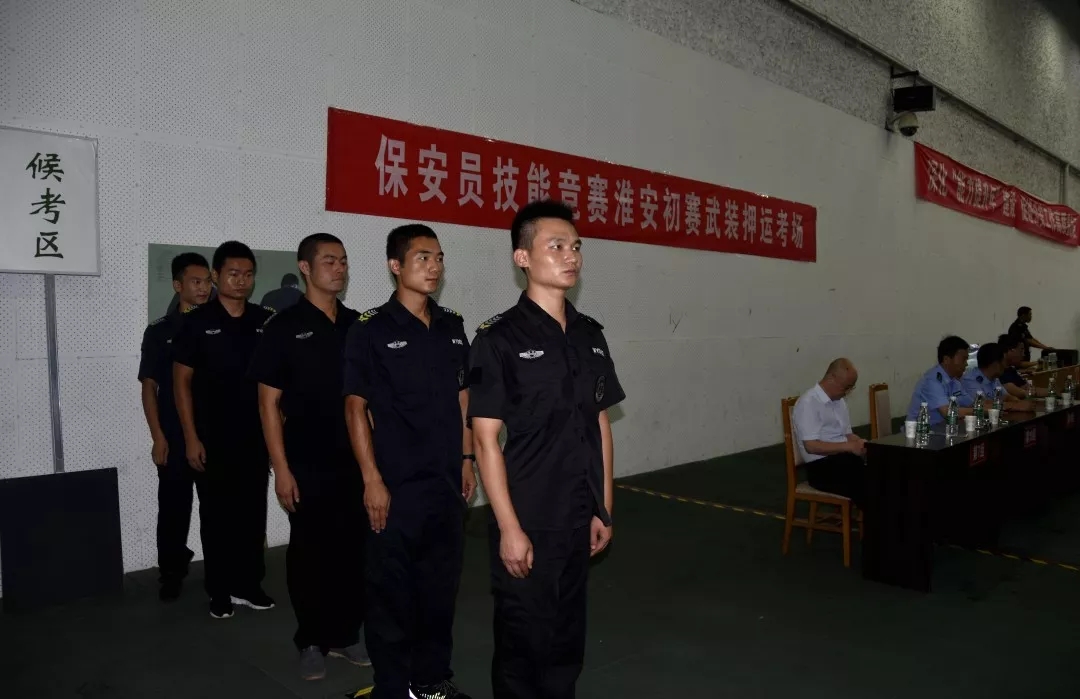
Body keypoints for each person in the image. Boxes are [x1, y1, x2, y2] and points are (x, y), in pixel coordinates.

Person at [468, 200, 626, 699]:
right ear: (523, 258)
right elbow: (485, 439)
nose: (570, 256)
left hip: (579, 511)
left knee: (566, 636)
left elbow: (600, 423)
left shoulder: (590, 335)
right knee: (523, 639)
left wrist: (603, 506)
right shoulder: (498, 339)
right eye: (556, 246)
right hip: (529, 514)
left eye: (575, 246)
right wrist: (509, 528)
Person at [343, 224, 476, 699]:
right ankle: (392, 689)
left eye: (438, 258)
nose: (434, 267)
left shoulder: (452, 327)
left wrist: (467, 458)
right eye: (422, 258)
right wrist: (371, 479)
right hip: (395, 487)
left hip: (445, 484)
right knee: (391, 595)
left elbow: (464, 398)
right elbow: (355, 407)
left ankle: (430, 681)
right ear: (395, 266)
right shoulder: (370, 330)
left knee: (440, 590)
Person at [249, 234, 368, 680]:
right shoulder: (283, 326)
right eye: (329, 261)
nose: (339, 268)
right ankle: (312, 639)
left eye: (344, 261)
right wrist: (281, 468)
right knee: (310, 551)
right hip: (306, 459)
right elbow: (268, 404)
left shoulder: (358, 324)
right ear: (305, 267)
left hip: (355, 458)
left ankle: (346, 633)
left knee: (353, 549)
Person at [173, 241, 276, 620]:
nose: (241, 281)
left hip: (255, 438)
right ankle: (219, 590)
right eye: (233, 274)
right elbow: (181, 383)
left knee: (253, 514)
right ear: (216, 276)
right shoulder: (196, 322)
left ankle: (248, 585)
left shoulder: (265, 320)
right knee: (216, 517)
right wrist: (190, 437)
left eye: (248, 274)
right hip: (210, 438)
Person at [138, 252, 212, 601]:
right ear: (177, 285)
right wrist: (157, 436)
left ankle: (221, 571)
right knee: (173, 507)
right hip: (173, 434)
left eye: (207, 281)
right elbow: (149, 387)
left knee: (217, 508)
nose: (203, 288)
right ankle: (171, 572)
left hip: (213, 434)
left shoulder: (218, 326)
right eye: (196, 282)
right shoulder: (159, 331)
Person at [791, 358, 865, 508]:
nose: (847, 392)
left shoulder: (839, 401)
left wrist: (859, 443)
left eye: (851, 388)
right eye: (846, 387)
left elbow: (847, 434)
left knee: (883, 473)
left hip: (842, 459)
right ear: (832, 378)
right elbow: (811, 446)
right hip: (821, 467)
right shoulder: (808, 403)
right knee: (868, 483)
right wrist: (849, 447)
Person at [906, 335, 976, 425]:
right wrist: (980, 411)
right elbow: (947, 412)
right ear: (946, 359)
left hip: (943, 430)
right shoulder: (932, 380)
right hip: (920, 431)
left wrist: (990, 409)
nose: (966, 364)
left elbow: (972, 404)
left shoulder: (955, 382)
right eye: (963, 359)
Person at [960, 342, 1032, 412]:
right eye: (1004, 361)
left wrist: (1018, 402)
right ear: (995, 364)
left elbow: (1006, 397)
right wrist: (1015, 406)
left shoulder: (994, 379)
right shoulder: (970, 380)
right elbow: (982, 404)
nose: (1005, 366)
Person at [998, 333, 1045, 400]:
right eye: (1021, 350)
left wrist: (1053, 391)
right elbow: (1019, 392)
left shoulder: (1011, 370)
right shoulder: (997, 373)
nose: (1023, 354)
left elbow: (1027, 388)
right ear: (1011, 350)